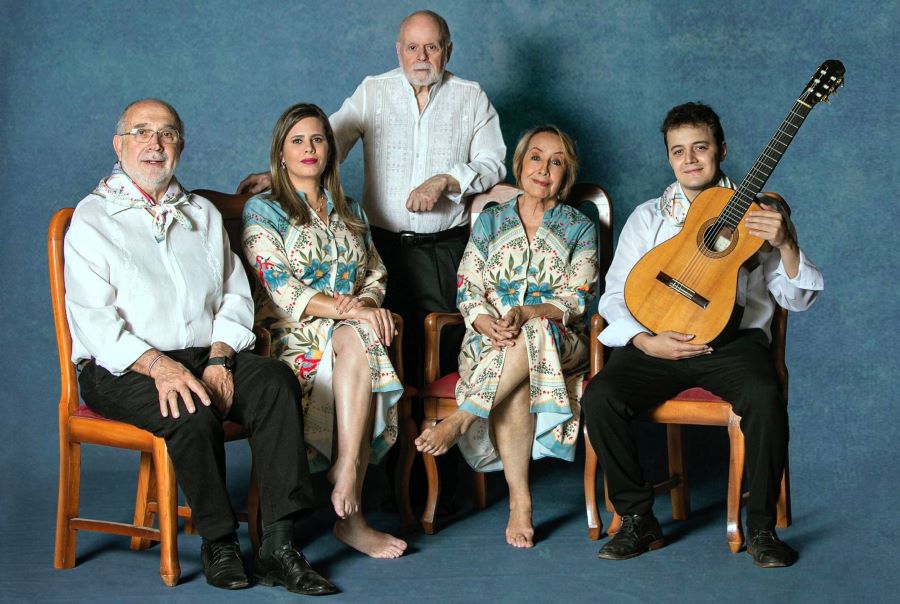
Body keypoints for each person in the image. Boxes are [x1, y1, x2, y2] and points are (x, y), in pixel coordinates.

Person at [64, 99, 337, 595]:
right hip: (122, 365)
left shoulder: (203, 214)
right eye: (142, 132)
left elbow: (235, 295)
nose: (155, 144)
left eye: (167, 134)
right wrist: (160, 368)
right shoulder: (92, 219)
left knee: (277, 381)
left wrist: (219, 357)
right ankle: (219, 541)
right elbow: (94, 323)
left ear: (180, 146)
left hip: (202, 355)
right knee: (190, 407)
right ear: (119, 144)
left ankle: (278, 544)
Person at [581, 102, 824, 568]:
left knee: (764, 395)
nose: (690, 159)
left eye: (700, 147)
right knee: (600, 397)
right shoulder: (648, 216)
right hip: (657, 342)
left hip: (732, 346)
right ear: (669, 158)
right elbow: (613, 296)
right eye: (678, 151)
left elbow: (797, 300)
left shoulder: (758, 219)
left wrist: (787, 243)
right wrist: (644, 340)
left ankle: (760, 529)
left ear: (721, 150)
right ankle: (637, 519)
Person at [237, 10, 506, 386]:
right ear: (399, 50)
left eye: (431, 47)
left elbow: (494, 162)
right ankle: (390, 444)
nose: (421, 56)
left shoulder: (471, 96)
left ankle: (436, 443)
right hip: (380, 246)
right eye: (412, 47)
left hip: (443, 251)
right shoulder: (373, 91)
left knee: (444, 350)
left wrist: (446, 180)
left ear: (448, 49)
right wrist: (278, 174)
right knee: (383, 345)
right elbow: (326, 139)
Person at [415, 126, 598, 548]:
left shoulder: (579, 228)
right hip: (490, 342)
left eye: (556, 162)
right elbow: (467, 286)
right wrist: (484, 323)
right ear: (520, 164)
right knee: (519, 375)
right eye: (536, 157)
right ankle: (521, 500)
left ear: (565, 174)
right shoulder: (492, 221)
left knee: (533, 334)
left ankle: (462, 417)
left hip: (559, 343)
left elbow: (578, 298)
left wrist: (531, 313)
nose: (544, 169)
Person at [242, 103, 407, 559]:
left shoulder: (349, 209)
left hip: (350, 329)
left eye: (317, 139)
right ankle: (350, 503)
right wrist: (347, 311)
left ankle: (347, 471)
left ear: (330, 150)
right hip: (290, 333)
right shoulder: (264, 209)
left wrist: (367, 306)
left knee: (362, 336)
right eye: (297, 140)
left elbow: (375, 272)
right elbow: (277, 284)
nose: (309, 148)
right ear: (281, 152)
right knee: (360, 336)